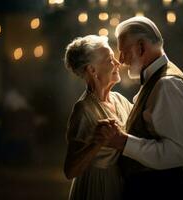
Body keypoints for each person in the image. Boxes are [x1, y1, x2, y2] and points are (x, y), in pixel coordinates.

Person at [97, 16, 183, 199]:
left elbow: (178, 153)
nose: (121, 60)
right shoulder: (156, 79)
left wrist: (123, 142)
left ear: (141, 47)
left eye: (124, 51)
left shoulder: (167, 84)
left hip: (160, 190)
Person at [63, 35, 133, 200]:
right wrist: (97, 142)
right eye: (110, 59)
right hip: (96, 187)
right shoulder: (84, 110)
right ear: (92, 70)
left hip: (121, 183)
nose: (118, 63)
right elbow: (70, 170)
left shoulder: (120, 100)